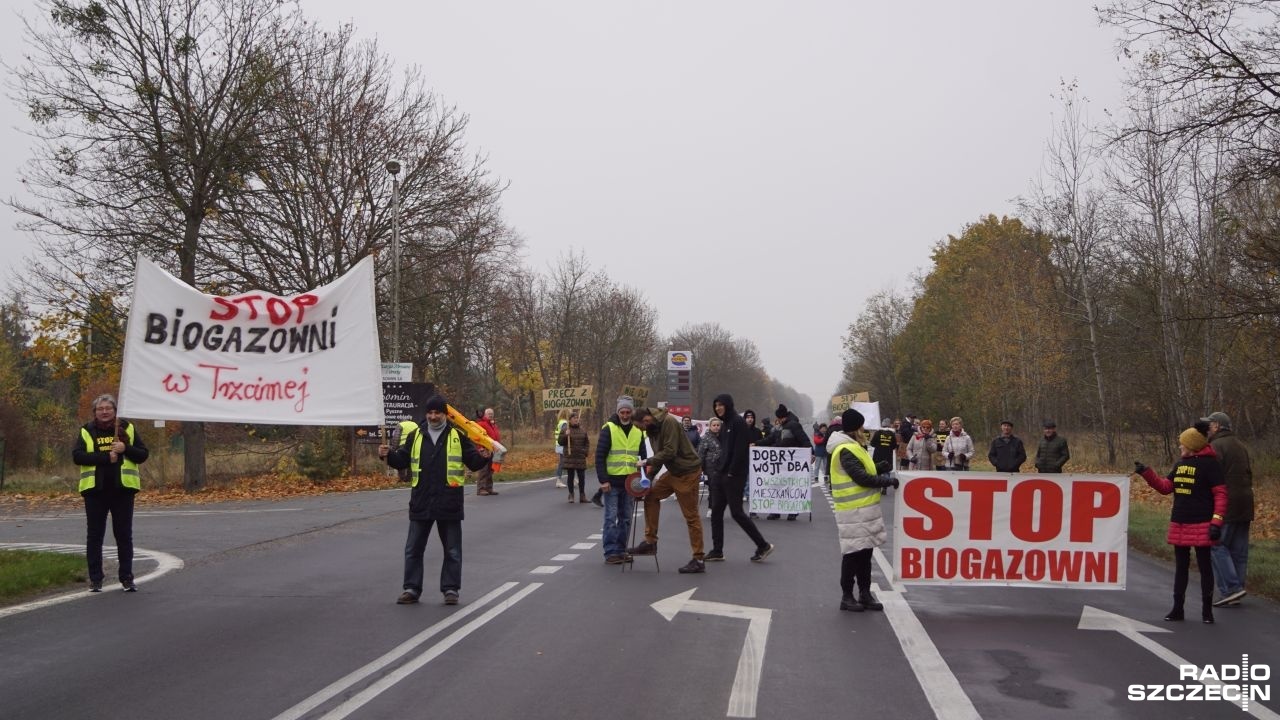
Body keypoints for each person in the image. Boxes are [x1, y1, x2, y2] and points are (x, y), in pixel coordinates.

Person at [380, 394, 491, 606]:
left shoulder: (457, 435)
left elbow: (474, 463)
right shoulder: (416, 435)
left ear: (445, 414)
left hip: (449, 501)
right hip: (421, 501)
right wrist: (387, 455)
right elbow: (401, 459)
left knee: (452, 550)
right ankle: (411, 589)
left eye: (437, 412)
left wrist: (485, 456)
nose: (433, 416)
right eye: (430, 413)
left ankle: (450, 590)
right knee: (413, 548)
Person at [1133, 425, 1226, 623]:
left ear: (1191, 446)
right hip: (1180, 521)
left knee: (1204, 567)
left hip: (1202, 522)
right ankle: (1177, 609)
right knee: (1181, 568)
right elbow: (1166, 487)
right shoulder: (1179, 464)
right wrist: (1146, 473)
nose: (1179, 447)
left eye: (1182, 444)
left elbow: (1220, 495)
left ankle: (1207, 612)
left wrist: (1216, 522)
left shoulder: (1211, 465)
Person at [73, 393, 149, 592]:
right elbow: (78, 456)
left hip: (122, 490)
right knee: (95, 536)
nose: (104, 412)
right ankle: (96, 579)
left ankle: (127, 578)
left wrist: (125, 448)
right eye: (100, 409)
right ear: (95, 412)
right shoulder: (86, 431)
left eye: (108, 408)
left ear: (115, 411)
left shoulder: (127, 428)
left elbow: (143, 455)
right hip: (95, 492)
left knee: (123, 535)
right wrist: (106, 458)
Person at [828, 408, 898, 612]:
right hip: (852, 511)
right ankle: (847, 596)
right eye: (862, 426)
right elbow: (860, 477)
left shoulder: (854, 446)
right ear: (855, 428)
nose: (864, 429)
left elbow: (863, 469)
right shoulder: (845, 449)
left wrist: (880, 467)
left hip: (864, 510)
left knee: (866, 553)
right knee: (853, 553)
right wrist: (887, 480)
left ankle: (865, 594)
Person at [629, 406, 706, 573]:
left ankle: (699, 559)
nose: (639, 430)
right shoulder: (651, 429)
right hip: (674, 471)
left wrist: (646, 462)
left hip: (688, 472)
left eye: (639, 427)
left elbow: (669, 452)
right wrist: (647, 480)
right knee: (650, 496)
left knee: (691, 516)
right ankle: (650, 542)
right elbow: (659, 456)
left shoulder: (669, 422)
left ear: (646, 420)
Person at [708, 393, 774, 562]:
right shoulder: (725, 424)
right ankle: (717, 550)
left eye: (720, 405)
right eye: (715, 406)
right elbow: (724, 450)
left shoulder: (738, 422)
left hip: (734, 475)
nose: (718, 408)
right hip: (722, 474)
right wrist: (718, 470)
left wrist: (731, 472)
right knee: (716, 512)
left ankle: (763, 545)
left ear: (728, 405)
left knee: (737, 512)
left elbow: (740, 450)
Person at [1203, 412, 1253, 607]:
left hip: (1227, 503)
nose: (1207, 429)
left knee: (1216, 544)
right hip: (1246, 502)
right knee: (1238, 551)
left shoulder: (1215, 446)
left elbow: (1213, 477)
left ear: (1217, 426)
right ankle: (1237, 587)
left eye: (1209, 425)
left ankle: (1231, 589)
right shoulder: (1240, 445)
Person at [595, 396, 646, 564]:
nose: (625, 415)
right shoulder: (608, 429)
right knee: (610, 518)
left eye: (628, 412)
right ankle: (610, 552)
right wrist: (603, 480)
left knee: (626, 518)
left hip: (630, 483)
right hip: (612, 482)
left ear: (632, 412)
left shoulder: (638, 432)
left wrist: (642, 483)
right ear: (618, 412)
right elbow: (600, 456)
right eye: (622, 412)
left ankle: (621, 550)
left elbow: (643, 458)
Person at [757, 404, 811, 519]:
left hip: (790, 463)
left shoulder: (794, 425)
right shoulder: (779, 427)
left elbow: (804, 439)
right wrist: (756, 444)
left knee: (790, 487)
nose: (778, 421)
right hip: (779, 463)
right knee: (776, 486)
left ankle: (792, 510)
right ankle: (776, 511)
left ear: (783, 417)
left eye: (779, 418)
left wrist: (811, 453)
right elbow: (770, 439)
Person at [558, 411, 590, 503]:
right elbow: (560, 442)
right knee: (570, 476)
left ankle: (582, 495)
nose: (576, 419)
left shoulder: (583, 430)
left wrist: (585, 452)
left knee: (581, 477)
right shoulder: (565, 430)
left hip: (580, 456)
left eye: (577, 418)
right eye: (574, 418)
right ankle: (571, 494)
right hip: (570, 457)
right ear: (570, 420)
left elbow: (587, 443)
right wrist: (565, 435)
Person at [474, 408, 501, 496]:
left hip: (493, 449)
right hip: (484, 450)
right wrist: (480, 448)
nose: (491, 415)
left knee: (490, 469)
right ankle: (481, 489)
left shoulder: (493, 424)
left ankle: (489, 488)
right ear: (485, 415)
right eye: (489, 413)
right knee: (484, 469)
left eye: (492, 413)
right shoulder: (481, 424)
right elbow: (477, 437)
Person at [554, 409, 570, 489]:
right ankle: (559, 480)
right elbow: (565, 434)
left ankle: (572, 479)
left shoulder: (560, 422)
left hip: (558, 445)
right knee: (564, 462)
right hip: (562, 445)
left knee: (563, 462)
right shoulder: (564, 423)